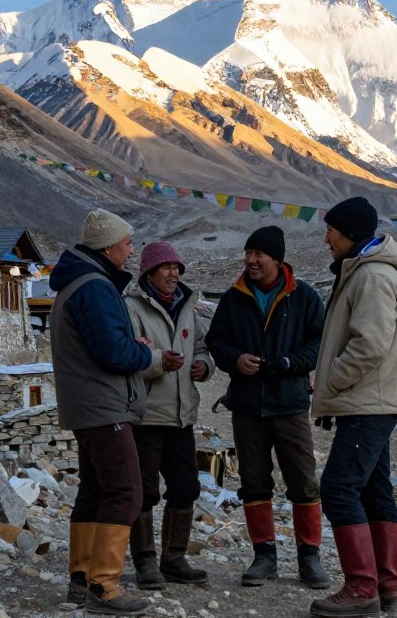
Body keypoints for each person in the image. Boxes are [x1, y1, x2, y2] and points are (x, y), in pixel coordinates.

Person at [205, 225, 329, 589]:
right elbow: (216, 340)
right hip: (246, 407)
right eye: (248, 254)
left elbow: (319, 342)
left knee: (303, 483)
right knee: (254, 483)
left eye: (258, 254)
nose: (251, 260)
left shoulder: (303, 297)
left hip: (289, 405)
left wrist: (291, 363)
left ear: (277, 259)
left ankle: (310, 557)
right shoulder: (234, 297)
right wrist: (235, 359)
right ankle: (264, 555)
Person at [309, 197, 397, 618]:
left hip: (367, 400)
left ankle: (361, 589)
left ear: (350, 231)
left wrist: (330, 380)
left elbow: (369, 344)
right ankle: (385, 587)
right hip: (368, 399)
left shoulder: (371, 276)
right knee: (374, 490)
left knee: (338, 488)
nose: (326, 237)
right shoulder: (362, 272)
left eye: (331, 229)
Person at [50, 208, 153, 616]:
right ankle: (104, 586)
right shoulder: (95, 287)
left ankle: (81, 578)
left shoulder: (77, 282)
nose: (131, 250)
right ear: (109, 248)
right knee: (126, 490)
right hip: (102, 405)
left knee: (94, 491)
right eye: (128, 244)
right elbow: (112, 352)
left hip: (83, 404)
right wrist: (143, 350)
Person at [125, 241, 215, 589]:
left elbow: (203, 347)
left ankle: (174, 559)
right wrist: (159, 362)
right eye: (166, 268)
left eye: (177, 268)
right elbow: (127, 354)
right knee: (145, 491)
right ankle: (146, 562)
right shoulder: (132, 308)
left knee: (187, 486)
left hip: (181, 415)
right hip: (146, 415)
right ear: (149, 273)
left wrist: (202, 366)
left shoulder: (188, 309)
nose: (174, 274)